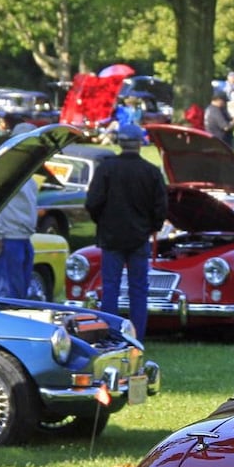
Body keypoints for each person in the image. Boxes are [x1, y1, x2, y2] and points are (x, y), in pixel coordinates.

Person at [87, 122, 168, 340]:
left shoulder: (106, 169)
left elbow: (93, 202)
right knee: (138, 290)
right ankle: (136, 337)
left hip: (111, 237)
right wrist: (152, 227)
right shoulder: (151, 172)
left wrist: (102, 222)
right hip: (139, 237)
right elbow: (161, 207)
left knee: (110, 288)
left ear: (120, 143)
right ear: (140, 144)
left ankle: (110, 335)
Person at [0, 123, 40, 299]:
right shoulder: (5, 168)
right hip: (6, 239)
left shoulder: (24, 169)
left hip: (22, 237)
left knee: (20, 292)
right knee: (8, 293)